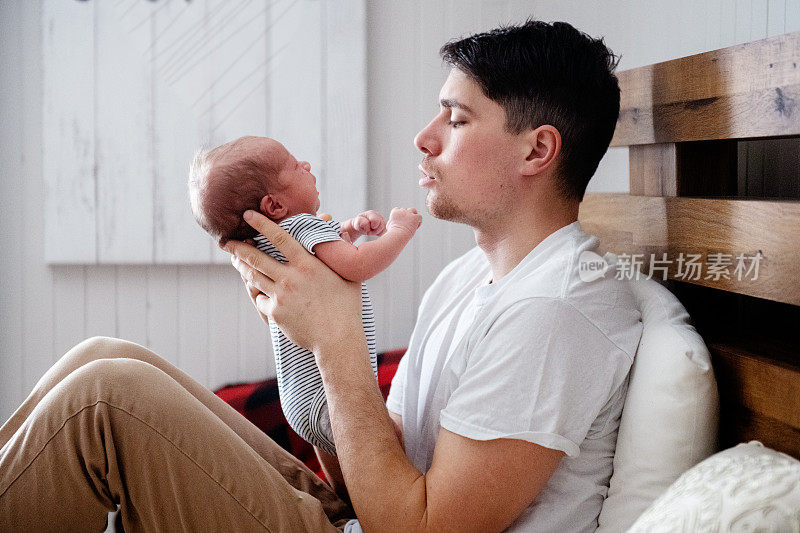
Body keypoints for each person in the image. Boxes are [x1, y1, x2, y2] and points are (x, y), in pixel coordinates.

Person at [0, 20, 642, 533]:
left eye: (455, 118)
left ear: (537, 150)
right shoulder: (470, 277)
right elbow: (367, 468)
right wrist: (304, 344)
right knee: (105, 356)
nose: (424, 138)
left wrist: (336, 343)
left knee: (105, 399)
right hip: (360, 517)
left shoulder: (557, 311)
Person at [188, 136, 422, 454]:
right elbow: (357, 264)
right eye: (296, 166)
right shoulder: (300, 225)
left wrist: (350, 230)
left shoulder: (270, 242)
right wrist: (400, 231)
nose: (307, 165)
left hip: (301, 400)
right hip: (326, 395)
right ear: (275, 206)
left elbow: (325, 260)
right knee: (390, 450)